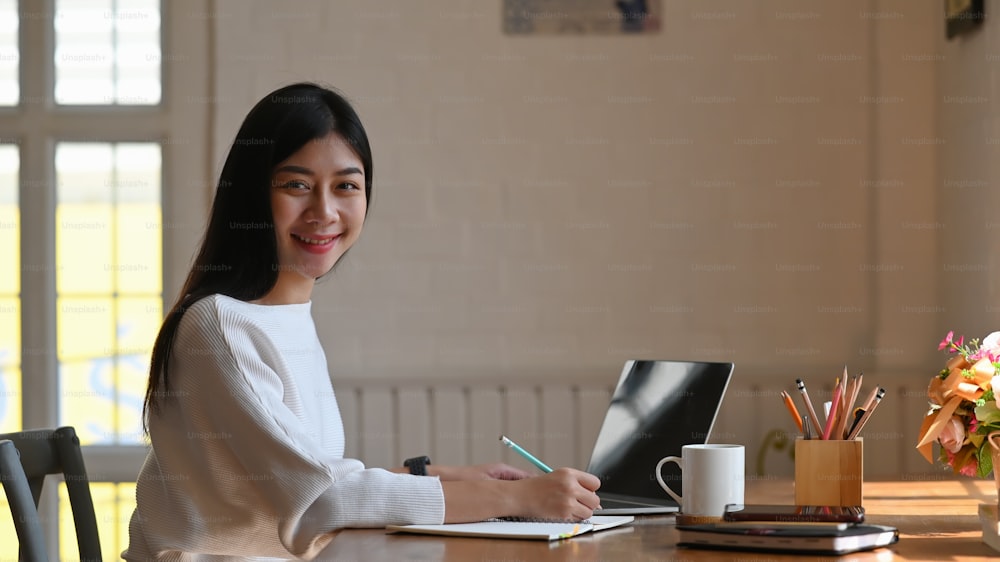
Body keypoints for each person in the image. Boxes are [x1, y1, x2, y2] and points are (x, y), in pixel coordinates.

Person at [124, 82, 601, 561]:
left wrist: (445, 478)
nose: (324, 211)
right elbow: (317, 500)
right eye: (296, 185)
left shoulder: (284, 320)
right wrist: (518, 498)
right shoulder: (219, 327)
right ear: (252, 194)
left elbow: (315, 478)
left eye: (346, 186)